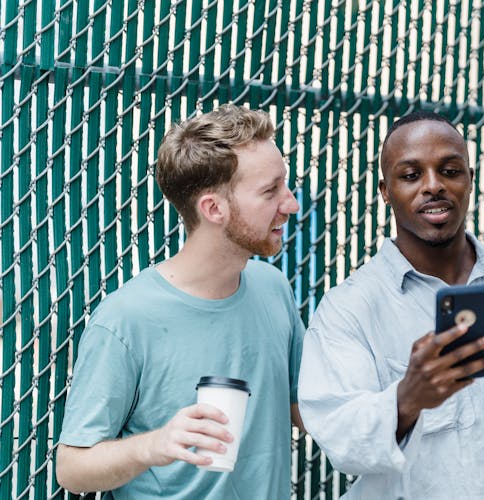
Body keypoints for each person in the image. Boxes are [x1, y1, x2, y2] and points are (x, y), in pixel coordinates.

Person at [298, 112, 484, 499]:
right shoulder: (350, 307)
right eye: (411, 175)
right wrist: (406, 399)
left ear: (470, 178)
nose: (433, 186)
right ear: (386, 191)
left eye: (450, 170)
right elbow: (340, 437)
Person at [56, 104, 305, 499]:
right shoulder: (126, 320)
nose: (290, 204)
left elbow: (305, 409)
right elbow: (72, 468)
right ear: (213, 209)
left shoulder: (273, 289)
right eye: (270, 191)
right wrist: (155, 445)